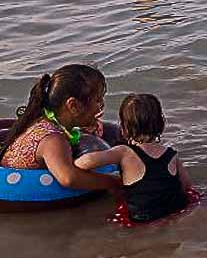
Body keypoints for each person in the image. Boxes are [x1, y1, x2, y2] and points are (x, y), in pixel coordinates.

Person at [0, 64, 121, 194]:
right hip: (19, 193)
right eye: (97, 100)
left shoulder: (40, 121)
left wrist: (85, 129)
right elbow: (68, 178)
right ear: (73, 106)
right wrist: (116, 181)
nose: (101, 106)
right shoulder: (53, 140)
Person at [75, 94, 192, 223]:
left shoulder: (123, 152)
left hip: (143, 217)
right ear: (162, 123)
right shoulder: (170, 154)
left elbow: (87, 161)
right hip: (176, 208)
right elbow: (186, 185)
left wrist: (74, 161)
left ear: (124, 129)